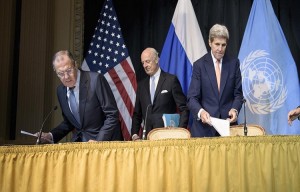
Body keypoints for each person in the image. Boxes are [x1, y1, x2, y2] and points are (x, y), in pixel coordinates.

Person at [36, 50, 121, 143]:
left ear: (75, 65)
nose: (66, 77)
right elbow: (69, 122)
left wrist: (99, 141)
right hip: (80, 146)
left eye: (69, 70)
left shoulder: (95, 80)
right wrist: (51, 135)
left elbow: (112, 114)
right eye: (61, 73)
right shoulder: (61, 91)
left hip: (105, 144)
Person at [187, 24, 243, 137]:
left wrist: (234, 110)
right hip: (204, 129)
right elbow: (192, 98)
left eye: (223, 45)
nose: (220, 49)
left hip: (228, 128)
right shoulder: (199, 65)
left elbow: (238, 94)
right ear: (210, 43)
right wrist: (201, 112)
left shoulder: (234, 63)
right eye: (217, 44)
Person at [131, 47, 189, 140]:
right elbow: (137, 114)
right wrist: (134, 135)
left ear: (157, 60)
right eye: (143, 63)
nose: (145, 65)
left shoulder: (171, 80)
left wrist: (180, 131)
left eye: (148, 61)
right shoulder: (141, 85)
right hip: (148, 139)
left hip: (168, 138)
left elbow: (184, 108)